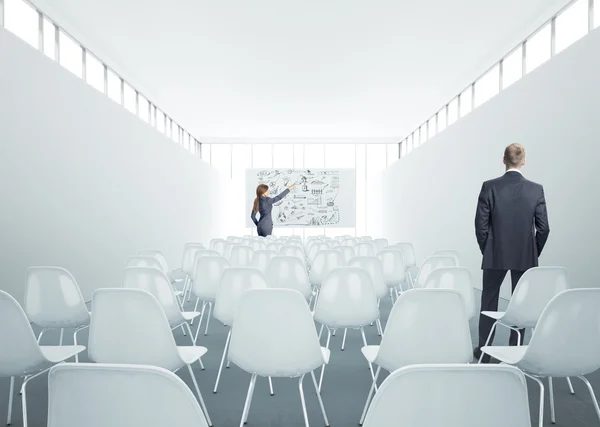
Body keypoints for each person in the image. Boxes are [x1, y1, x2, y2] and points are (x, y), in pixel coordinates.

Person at [473, 143, 550, 361]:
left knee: (488, 302)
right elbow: (543, 228)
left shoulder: (489, 187)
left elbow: (481, 226)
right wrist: (533, 251)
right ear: (523, 161)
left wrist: (488, 249)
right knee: (519, 305)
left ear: (503, 160)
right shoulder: (536, 190)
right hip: (525, 256)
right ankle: (513, 350)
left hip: (494, 254)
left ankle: (484, 353)